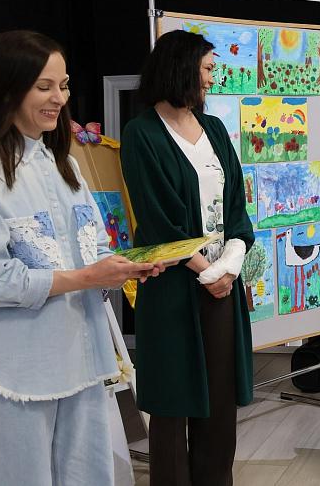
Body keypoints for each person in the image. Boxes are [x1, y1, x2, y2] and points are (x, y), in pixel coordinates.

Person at [0, 30, 162, 485]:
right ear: (5, 88)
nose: (60, 98)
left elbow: (94, 249)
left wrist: (124, 268)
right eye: (44, 86)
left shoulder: (64, 164)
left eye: (64, 85)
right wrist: (88, 277)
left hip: (80, 361)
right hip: (7, 372)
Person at [119, 30, 254, 486]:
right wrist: (208, 270)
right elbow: (157, 220)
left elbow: (235, 206)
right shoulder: (141, 133)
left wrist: (229, 265)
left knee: (219, 397)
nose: (213, 78)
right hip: (173, 285)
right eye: (208, 68)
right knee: (173, 400)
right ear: (182, 67)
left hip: (221, 284)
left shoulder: (213, 128)